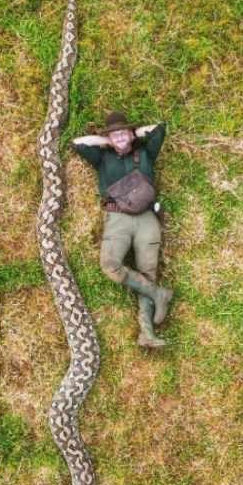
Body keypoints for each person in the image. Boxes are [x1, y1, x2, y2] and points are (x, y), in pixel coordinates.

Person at [72, 110, 173, 348]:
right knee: (110, 265)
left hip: (147, 217)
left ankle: (147, 333)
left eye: (122, 132)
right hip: (117, 218)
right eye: (113, 134)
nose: (118, 137)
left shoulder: (145, 152)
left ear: (130, 133)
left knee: (147, 273)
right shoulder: (102, 158)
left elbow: (160, 127)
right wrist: (107, 139)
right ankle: (159, 294)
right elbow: (77, 143)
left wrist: (135, 134)